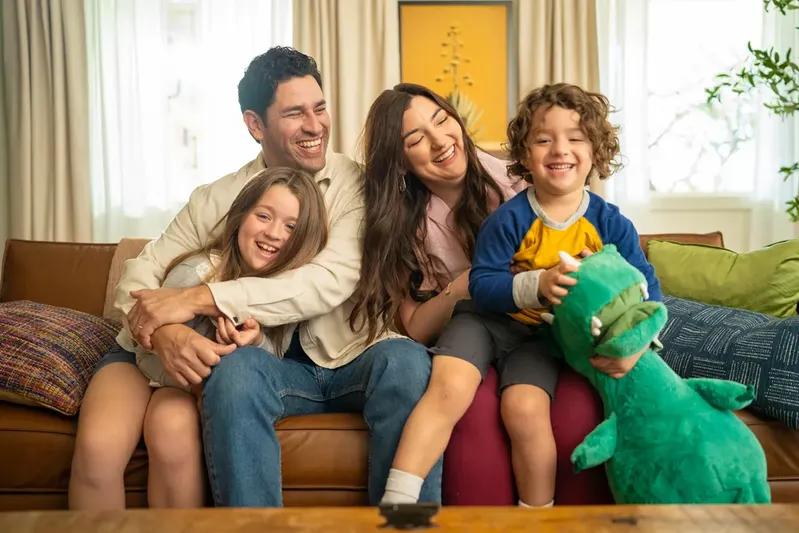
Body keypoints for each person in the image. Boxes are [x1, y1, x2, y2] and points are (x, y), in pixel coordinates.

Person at [76, 47, 440, 508]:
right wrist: (164, 329)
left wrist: (201, 298)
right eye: (294, 113)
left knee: (407, 361)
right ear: (255, 125)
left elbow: (329, 280)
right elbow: (140, 275)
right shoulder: (220, 197)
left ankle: (404, 523)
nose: (315, 125)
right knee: (236, 373)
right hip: (269, 366)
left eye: (320, 108)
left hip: (352, 356)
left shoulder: (357, 184)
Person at [70, 167, 327, 509]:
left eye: (291, 227)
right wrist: (174, 341)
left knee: (172, 433)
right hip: (138, 360)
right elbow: (145, 334)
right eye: (263, 216)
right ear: (240, 217)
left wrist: (253, 344)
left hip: (189, 384)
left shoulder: (289, 292)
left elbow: (274, 359)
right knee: (98, 447)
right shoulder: (198, 272)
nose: (274, 233)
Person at [466, 82, 662, 507]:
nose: (560, 150)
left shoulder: (612, 223)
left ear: (595, 151)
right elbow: (482, 286)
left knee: (643, 404)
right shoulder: (508, 220)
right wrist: (536, 285)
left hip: (594, 345)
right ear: (523, 155)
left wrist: (638, 344)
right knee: (520, 407)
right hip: (532, 343)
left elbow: (647, 287)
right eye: (543, 139)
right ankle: (537, 515)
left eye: (575, 138)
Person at [348, 82, 526, 505]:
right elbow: (414, 327)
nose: (440, 141)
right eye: (416, 139)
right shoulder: (404, 227)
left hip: (537, 330)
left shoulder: (517, 180)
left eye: (442, 120)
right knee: (468, 407)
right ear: (401, 162)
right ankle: (398, 513)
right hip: (467, 329)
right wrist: (457, 289)